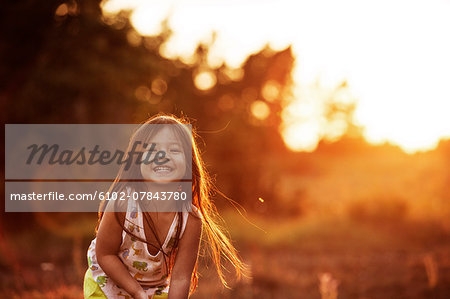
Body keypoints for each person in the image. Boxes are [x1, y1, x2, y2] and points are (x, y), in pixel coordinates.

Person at [83, 114, 248, 299]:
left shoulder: (190, 219)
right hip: (108, 282)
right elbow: (105, 254)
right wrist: (136, 292)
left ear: (188, 163)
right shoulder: (122, 204)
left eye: (175, 150)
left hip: (155, 289)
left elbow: (180, 278)